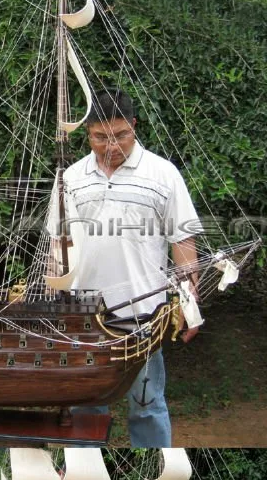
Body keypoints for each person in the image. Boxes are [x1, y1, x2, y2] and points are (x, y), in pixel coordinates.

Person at [63, 88, 201, 447]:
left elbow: (183, 242)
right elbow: (58, 244)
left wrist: (190, 306)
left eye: (121, 135)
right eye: (99, 137)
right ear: (87, 133)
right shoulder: (71, 178)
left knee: (148, 405)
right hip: (84, 317)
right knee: (85, 407)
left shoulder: (163, 174)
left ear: (134, 127)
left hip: (144, 314)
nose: (111, 146)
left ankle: (156, 466)